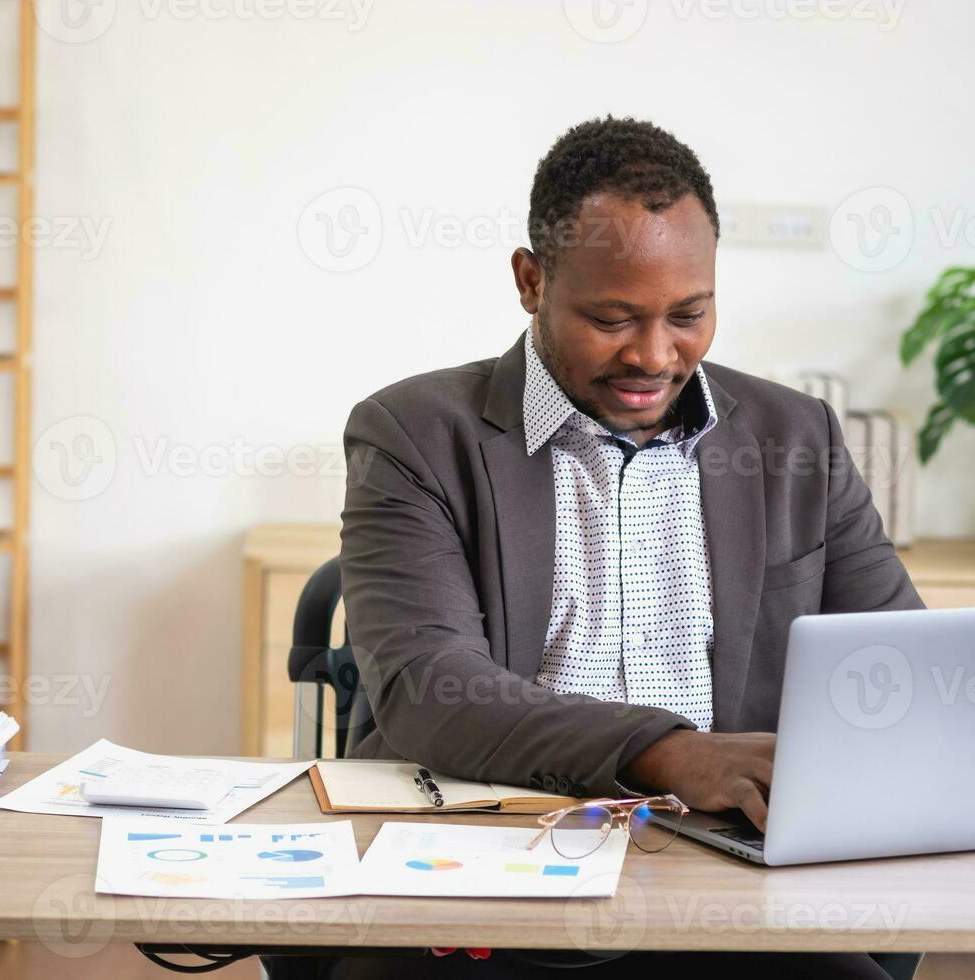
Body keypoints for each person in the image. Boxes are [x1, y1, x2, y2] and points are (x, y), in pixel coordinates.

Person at [318, 117, 921, 979]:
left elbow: (893, 664)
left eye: (689, 314)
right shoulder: (414, 435)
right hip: (488, 870)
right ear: (531, 282)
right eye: (611, 318)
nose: (653, 354)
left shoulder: (796, 437)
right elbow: (427, 688)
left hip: (730, 884)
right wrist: (666, 751)